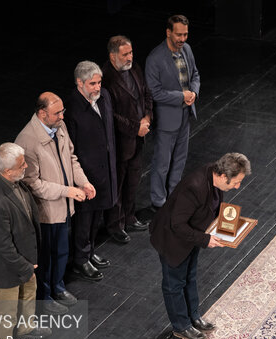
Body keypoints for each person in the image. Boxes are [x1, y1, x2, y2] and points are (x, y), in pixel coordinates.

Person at [150, 153, 251, 339]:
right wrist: (205, 239)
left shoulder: (214, 174)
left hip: (192, 235)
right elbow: (177, 225)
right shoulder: (194, 187)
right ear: (222, 176)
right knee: (174, 284)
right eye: (235, 182)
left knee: (190, 277)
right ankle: (181, 325)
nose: (237, 187)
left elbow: (209, 208)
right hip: (173, 239)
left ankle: (194, 317)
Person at [15, 92, 96, 315]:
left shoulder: (59, 127)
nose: (62, 116)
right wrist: (67, 191)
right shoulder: (27, 141)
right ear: (42, 113)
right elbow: (34, 185)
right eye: (57, 112)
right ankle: (45, 296)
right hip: (46, 212)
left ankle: (58, 288)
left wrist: (84, 182)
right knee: (46, 257)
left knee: (61, 251)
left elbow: (71, 159)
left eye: (62, 111)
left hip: (63, 206)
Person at [0, 142, 52, 339]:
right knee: (6, 305)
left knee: (29, 290)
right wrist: (24, 265)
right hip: (5, 263)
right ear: (7, 170)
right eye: (22, 165)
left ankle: (25, 327)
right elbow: (2, 245)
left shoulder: (9, 179)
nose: (26, 166)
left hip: (24, 255)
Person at [64, 61, 117, 280]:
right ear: (79, 82)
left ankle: (90, 251)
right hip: (86, 174)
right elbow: (71, 149)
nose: (97, 87)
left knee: (97, 216)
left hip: (104, 170)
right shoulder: (72, 108)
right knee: (84, 220)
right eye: (92, 83)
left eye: (99, 82)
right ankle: (80, 259)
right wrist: (80, 180)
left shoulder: (103, 97)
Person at [145, 14, 200, 211]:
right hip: (167, 119)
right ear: (168, 33)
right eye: (178, 35)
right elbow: (154, 92)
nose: (182, 39)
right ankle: (159, 202)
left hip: (185, 115)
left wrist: (193, 92)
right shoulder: (155, 59)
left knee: (180, 159)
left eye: (185, 34)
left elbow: (195, 74)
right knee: (162, 163)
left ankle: (174, 195)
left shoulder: (187, 49)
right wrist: (181, 96)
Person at [102, 35, 154, 243]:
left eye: (131, 52)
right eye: (125, 54)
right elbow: (110, 115)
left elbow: (146, 94)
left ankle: (129, 217)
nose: (130, 57)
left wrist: (147, 117)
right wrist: (136, 128)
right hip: (119, 142)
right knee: (118, 184)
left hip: (138, 137)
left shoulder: (134, 68)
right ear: (113, 56)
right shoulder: (106, 78)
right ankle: (115, 224)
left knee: (133, 180)